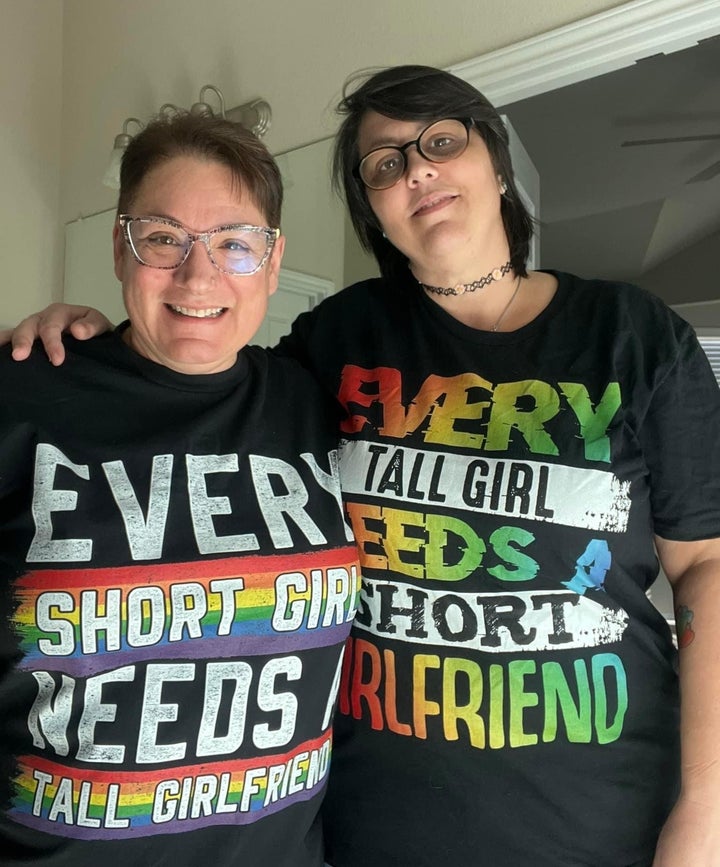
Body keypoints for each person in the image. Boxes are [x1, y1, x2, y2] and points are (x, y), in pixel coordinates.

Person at [6, 65, 720, 867]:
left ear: (496, 162)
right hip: (374, 828)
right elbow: (196, 376)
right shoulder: (339, 341)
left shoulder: (633, 335)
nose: (416, 168)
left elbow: (705, 567)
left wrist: (706, 810)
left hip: (604, 819)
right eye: (384, 163)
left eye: (441, 141)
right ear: (374, 209)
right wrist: (83, 341)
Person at [0, 111, 361, 867]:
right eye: (163, 238)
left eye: (234, 243)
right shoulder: (22, 392)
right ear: (121, 246)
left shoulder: (317, 399)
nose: (199, 276)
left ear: (272, 260)